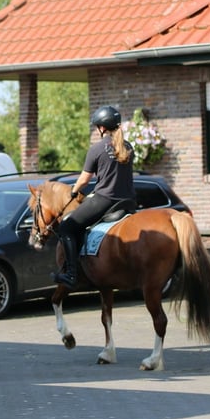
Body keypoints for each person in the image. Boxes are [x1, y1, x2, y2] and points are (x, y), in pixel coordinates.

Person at [52, 105, 137, 289]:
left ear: (102, 127)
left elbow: (84, 179)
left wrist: (74, 191)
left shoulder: (97, 148)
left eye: (96, 126)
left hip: (105, 200)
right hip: (128, 201)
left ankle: (71, 274)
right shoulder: (128, 147)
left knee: (66, 227)